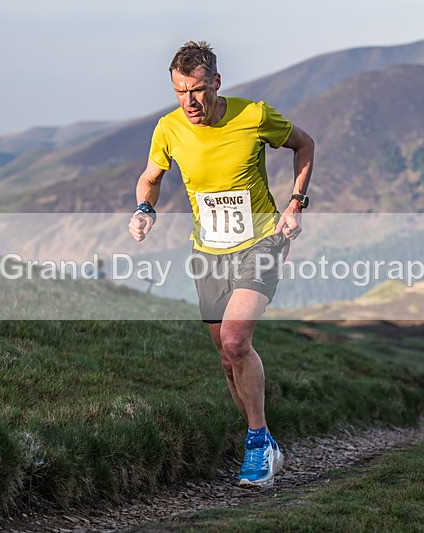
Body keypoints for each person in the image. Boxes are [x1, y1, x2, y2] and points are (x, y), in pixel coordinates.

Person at [128, 41, 314, 487]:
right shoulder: (169, 129)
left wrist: (295, 205)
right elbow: (150, 179)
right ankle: (264, 438)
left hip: (262, 241)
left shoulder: (253, 115)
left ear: (216, 83)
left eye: (196, 90)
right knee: (227, 356)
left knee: (235, 340)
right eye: (179, 92)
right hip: (208, 251)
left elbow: (304, 145)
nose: (189, 102)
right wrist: (144, 210)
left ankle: (254, 443)